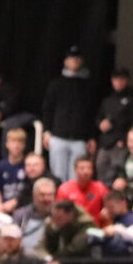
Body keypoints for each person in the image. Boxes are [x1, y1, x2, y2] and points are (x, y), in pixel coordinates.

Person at [42, 47, 95, 182]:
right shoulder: (56, 84)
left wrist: (91, 137)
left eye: (77, 59)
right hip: (58, 137)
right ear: (66, 61)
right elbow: (48, 109)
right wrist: (47, 131)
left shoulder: (87, 85)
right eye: (71, 58)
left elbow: (91, 113)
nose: (74, 61)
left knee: (76, 178)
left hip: (79, 139)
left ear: (81, 61)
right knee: (58, 176)